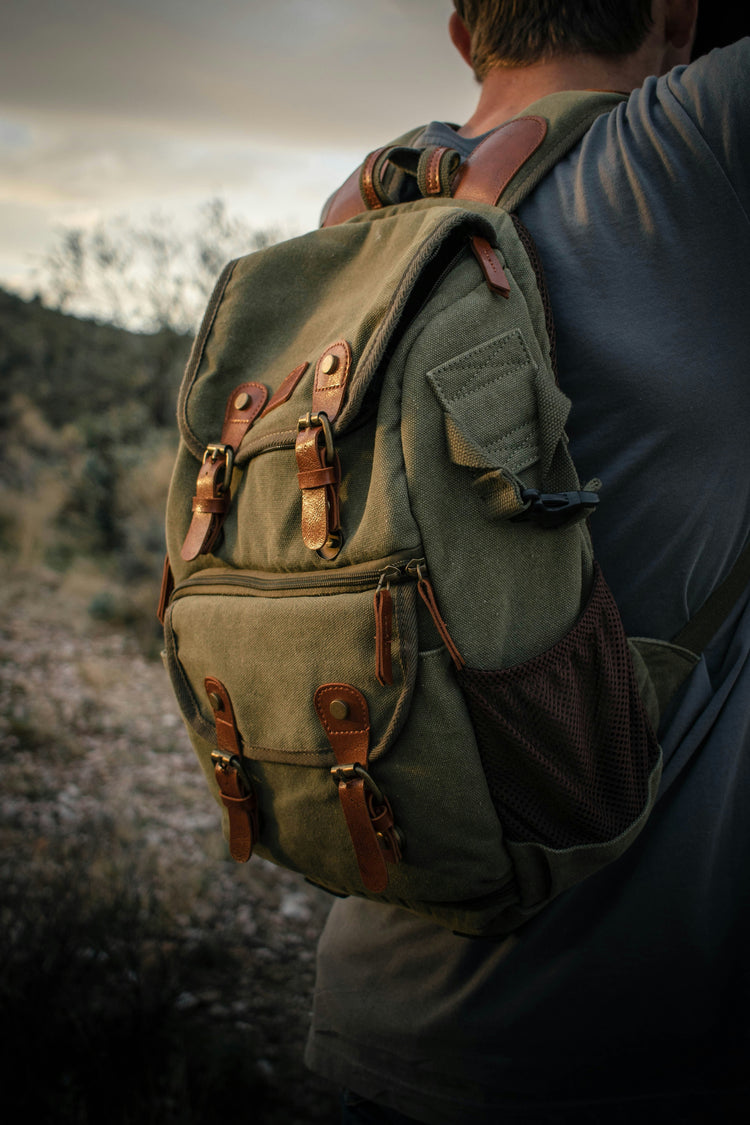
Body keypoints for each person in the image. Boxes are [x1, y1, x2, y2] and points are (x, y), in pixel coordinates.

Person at [304, 2, 750, 1122]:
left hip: (371, 995)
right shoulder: (691, 151)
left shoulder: (365, 205)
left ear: (463, 31)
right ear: (677, 18)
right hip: (627, 1046)